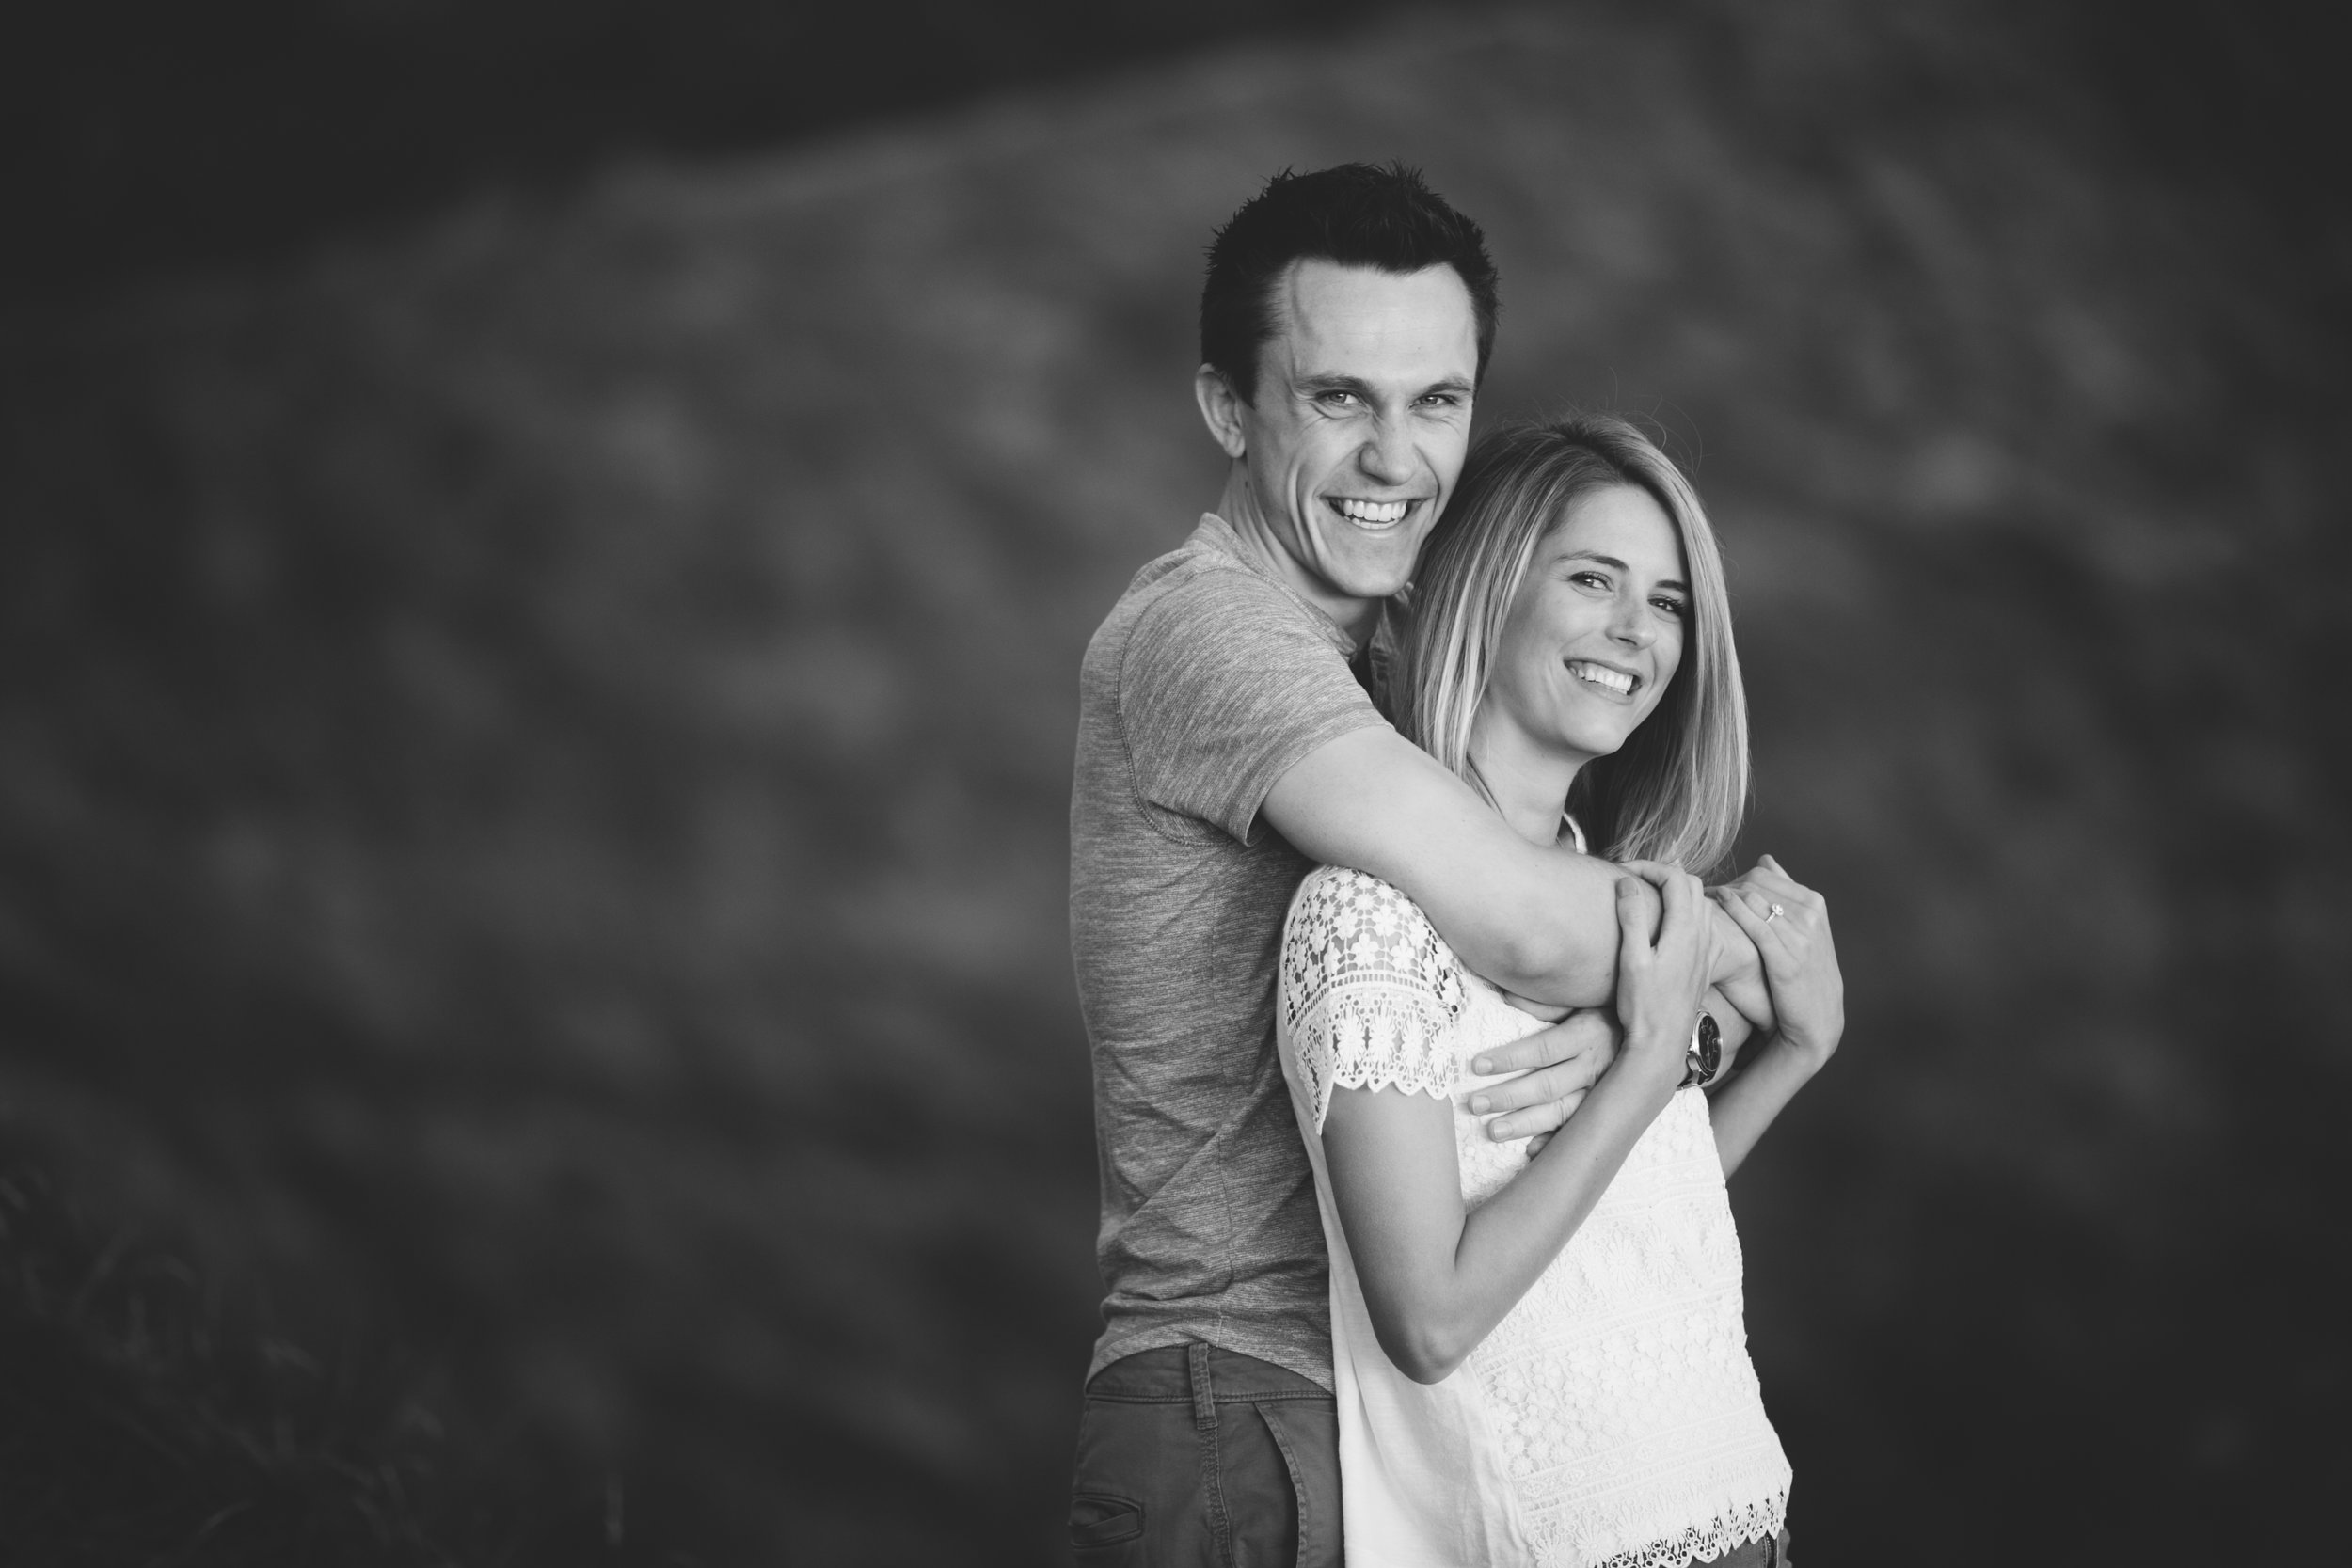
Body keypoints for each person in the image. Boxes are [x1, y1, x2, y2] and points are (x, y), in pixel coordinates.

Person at [1066, 164, 1779, 1562]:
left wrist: (1660, 1030)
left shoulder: (1388, 677)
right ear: (1227, 407)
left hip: (1377, 1422)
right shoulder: (1215, 636)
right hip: (1240, 1402)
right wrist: (1737, 943)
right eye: (1340, 398)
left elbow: (1541, 982)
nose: (1397, 459)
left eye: (1436, 401)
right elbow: (1521, 924)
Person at [1274, 415, 1845, 1566]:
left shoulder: (1613, 900)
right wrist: (1645, 1057)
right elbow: (1430, 1319)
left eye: (1668, 601)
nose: (1637, 629)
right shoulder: (1365, 915)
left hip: (1745, 1522)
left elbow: (1631, 1222)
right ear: (1482, 589)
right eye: (1593, 577)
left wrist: (1792, 1051)